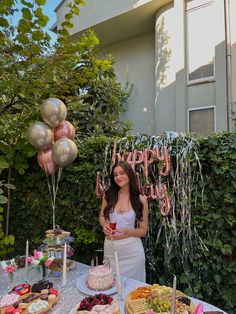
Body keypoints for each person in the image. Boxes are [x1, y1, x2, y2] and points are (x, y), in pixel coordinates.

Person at [99, 160, 148, 282]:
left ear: (129, 175)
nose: (118, 177)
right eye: (115, 175)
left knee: (133, 291)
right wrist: (105, 225)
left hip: (132, 254)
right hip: (110, 250)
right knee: (109, 286)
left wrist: (128, 231)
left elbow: (143, 231)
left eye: (122, 173)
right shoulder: (108, 195)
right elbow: (101, 216)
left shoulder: (141, 200)